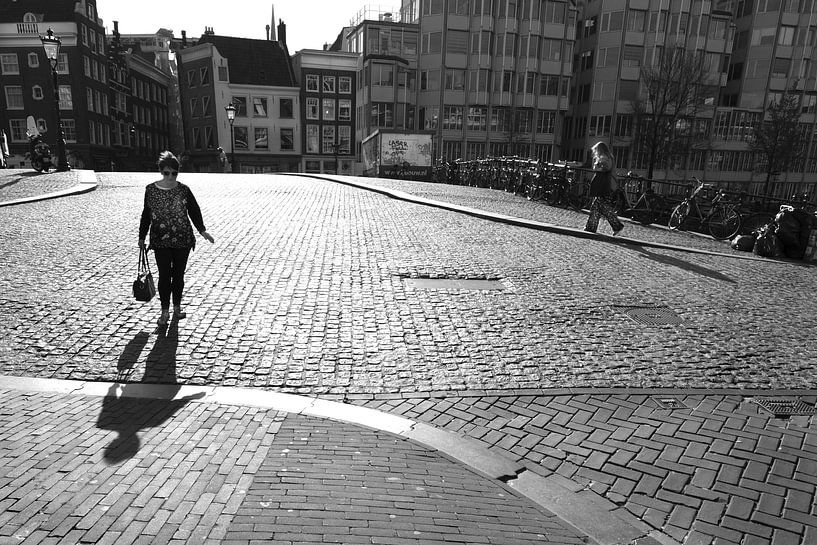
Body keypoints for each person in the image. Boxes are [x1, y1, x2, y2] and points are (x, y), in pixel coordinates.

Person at [139, 151, 214, 325]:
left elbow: (194, 210)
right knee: (165, 276)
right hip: (160, 240)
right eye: (167, 173)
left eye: (174, 173)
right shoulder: (151, 190)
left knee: (178, 276)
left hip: (183, 239)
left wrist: (202, 230)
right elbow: (146, 214)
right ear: (161, 172)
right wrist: (142, 236)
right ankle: (165, 311)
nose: (171, 177)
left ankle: (177, 308)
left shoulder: (184, 190)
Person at [584, 141, 625, 236]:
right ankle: (591, 227)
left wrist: (597, 167)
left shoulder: (605, 157)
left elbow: (606, 168)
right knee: (597, 206)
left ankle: (616, 225)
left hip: (606, 185)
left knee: (602, 207)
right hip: (606, 185)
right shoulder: (608, 157)